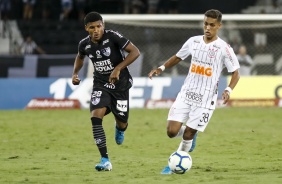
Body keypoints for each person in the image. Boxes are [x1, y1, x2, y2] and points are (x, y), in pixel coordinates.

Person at [148, 9, 240, 174]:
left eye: (212, 25)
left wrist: (228, 89)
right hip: (186, 93)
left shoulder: (223, 48)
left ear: (219, 26)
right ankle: (191, 134)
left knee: (189, 132)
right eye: (205, 23)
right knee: (171, 132)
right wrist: (161, 68)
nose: (208, 28)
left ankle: (175, 162)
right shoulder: (193, 41)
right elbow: (178, 57)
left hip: (206, 99)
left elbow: (236, 73)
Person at [72, 12, 140, 171]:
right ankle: (105, 160)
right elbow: (80, 57)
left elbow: (135, 52)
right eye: (92, 27)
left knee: (122, 122)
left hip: (120, 85)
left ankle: (120, 128)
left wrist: (117, 69)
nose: (96, 30)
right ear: (86, 28)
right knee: (96, 116)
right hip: (101, 84)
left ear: (103, 25)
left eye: (99, 26)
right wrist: (75, 73)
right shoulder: (84, 44)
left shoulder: (113, 37)